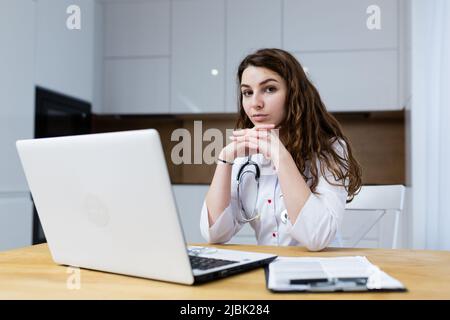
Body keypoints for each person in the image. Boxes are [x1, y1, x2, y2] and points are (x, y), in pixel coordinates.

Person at [200, 48, 362, 251]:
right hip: (268, 270)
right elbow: (215, 234)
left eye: (269, 89)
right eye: (247, 93)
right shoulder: (246, 158)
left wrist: (280, 156)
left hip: (321, 271)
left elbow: (317, 238)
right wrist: (225, 160)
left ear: (294, 94)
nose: (255, 104)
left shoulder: (330, 150)